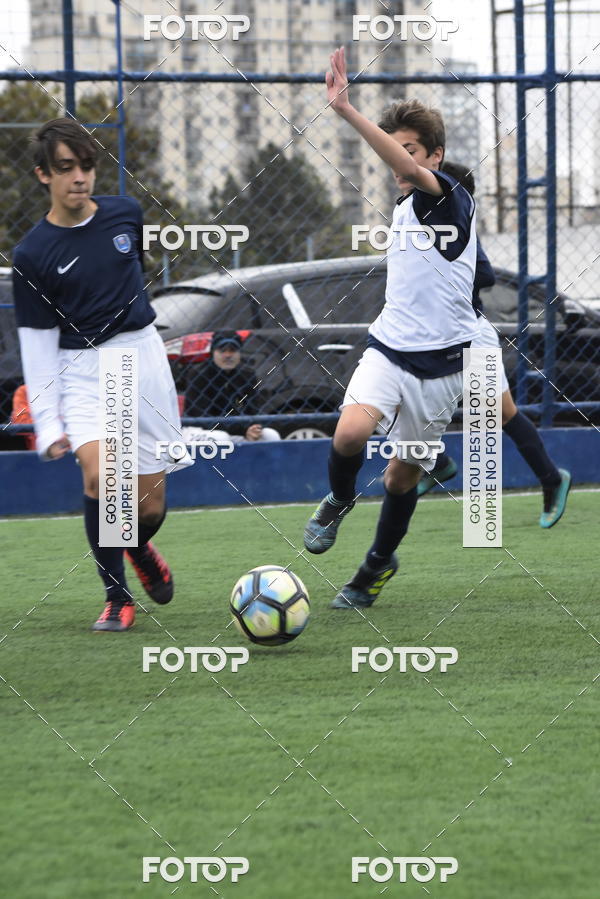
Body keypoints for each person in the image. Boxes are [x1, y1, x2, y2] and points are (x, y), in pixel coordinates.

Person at [304, 47, 480, 609]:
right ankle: (338, 499)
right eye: (395, 149)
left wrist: (345, 111)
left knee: (403, 477)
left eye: (410, 151)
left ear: (435, 156)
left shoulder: (449, 198)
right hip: (390, 349)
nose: (398, 161)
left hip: (442, 367)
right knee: (350, 435)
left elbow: (407, 171)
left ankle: (377, 566)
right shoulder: (405, 209)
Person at [12, 117, 192, 632]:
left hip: (143, 357)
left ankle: (136, 544)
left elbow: (131, 272)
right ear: (43, 175)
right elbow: (38, 345)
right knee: (103, 477)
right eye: (66, 168)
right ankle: (117, 597)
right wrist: (48, 424)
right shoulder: (32, 255)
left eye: (87, 166)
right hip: (84, 371)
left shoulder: (125, 214)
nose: (80, 178)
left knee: (149, 505)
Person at [417, 161, 571, 528]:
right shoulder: (418, 221)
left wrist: (447, 269)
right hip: (429, 334)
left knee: (503, 414)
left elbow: (484, 273)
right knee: (394, 394)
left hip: (468, 332)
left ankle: (552, 479)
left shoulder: (459, 227)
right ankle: (435, 461)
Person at [184, 330, 280, 443]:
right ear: (213, 352)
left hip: (235, 429)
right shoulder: (199, 374)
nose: (228, 355)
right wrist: (243, 430)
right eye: (222, 350)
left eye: (233, 350)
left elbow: (254, 410)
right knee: (221, 438)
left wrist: (252, 428)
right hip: (198, 429)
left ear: (239, 353)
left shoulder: (247, 374)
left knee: (270, 435)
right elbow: (203, 418)